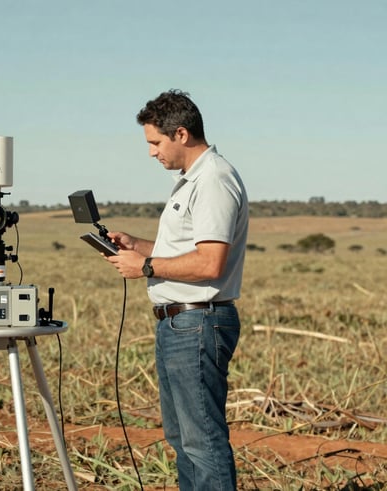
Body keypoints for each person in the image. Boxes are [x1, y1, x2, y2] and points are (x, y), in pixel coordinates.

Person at [106, 90, 248, 490]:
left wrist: (146, 266)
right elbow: (190, 251)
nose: (152, 153)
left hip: (198, 321)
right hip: (179, 323)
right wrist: (138, 246)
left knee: (202, 441)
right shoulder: (191, 181)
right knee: (183, 439)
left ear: (181, 134)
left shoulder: (214, 179)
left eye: (155, 142)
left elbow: (210, 263)